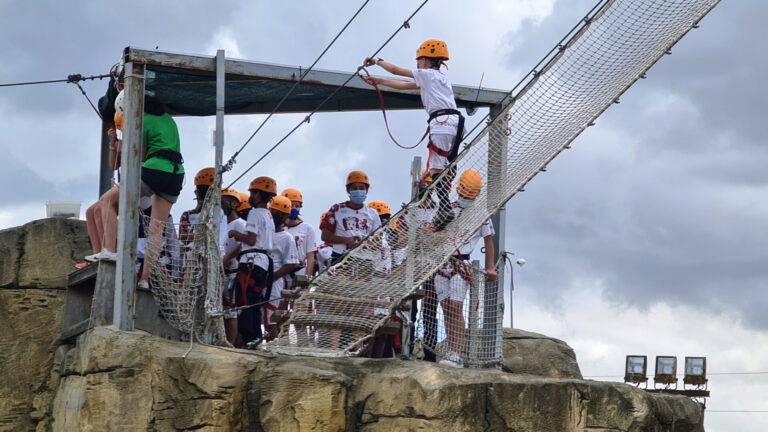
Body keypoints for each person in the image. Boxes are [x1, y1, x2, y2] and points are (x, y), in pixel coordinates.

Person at [363, 39, 465, 230]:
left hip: (441, 123)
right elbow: (403, 86)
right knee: (446, 165)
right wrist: (379, 81)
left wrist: (377, 61)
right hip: (457, 124)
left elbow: (395, 71)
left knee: (435, 169)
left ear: (426, 61)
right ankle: (444, 205)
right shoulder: (441, 79)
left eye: (419, 61)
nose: (417, 65)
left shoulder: (426, 74)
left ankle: (444, 208)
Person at [98, 92, 185, 290]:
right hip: (176, 173)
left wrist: (120, 146)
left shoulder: (142, 120)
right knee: (156, 229)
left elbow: (141, 156)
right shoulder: (169, 119)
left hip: (154, 169)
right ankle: (145, 279)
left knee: (107, 201)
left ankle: (110, 250)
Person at [433, 170, 497, 368]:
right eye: (464, 194)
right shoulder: (448, 210)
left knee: (456, 306)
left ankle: (456, 352)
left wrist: (490, 267)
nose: (466, 198)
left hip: (462, 264)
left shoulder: (481, 215)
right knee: (445, 308)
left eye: (470, 195)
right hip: (443, 263)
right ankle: (450, 350)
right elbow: (435, 230)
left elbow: (488, 241)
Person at [228, 176, 276, 346]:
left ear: (262, 195)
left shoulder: (254, 213)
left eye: (254, 193)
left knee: (245, 300)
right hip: (263, 263)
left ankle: (249, 338)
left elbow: (251, 240)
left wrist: (235, 234)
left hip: (251, 260)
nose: (251, 196)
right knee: (254, 300)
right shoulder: (269, 215)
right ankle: (255, 337)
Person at [319, 170, 381, 270]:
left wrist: (364, 244)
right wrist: (346, 240)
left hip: (365, 261)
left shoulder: (373, 214)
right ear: (348, 190)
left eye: (361, 188)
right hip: (340, 258)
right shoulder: (336, 209)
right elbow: (325, 236)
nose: (358, 191)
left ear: (367, 190)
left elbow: (379, 241)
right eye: (354, 188)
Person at [84, 112, 123, 262]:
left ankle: (109, 249)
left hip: (138, 185)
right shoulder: (126, 139)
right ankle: (98, 252)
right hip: (125, 184)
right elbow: (113, 165)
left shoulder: (137, 138)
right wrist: (113, 145)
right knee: (90, 211)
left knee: (102, 205)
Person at [264, 195, 300, 341]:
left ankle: (274, 348)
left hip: (275, 282)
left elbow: (291, 263)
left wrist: (273, 277)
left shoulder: (287, 237)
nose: (273, 216)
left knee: (271, 317)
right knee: (259, 316)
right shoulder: (264, 232)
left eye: (278, 213)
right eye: (272, 212)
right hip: (259, 279)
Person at [220, 187, 246, 346]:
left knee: (232, 312)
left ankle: (231, 343)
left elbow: (245, 244)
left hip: (233, 271)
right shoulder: (222, 223)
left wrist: (229, 257)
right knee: (222, 310)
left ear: (234, 204)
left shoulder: (240, 224)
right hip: (221, 271)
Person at [281, 188, 317, 278]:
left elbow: (310, 257)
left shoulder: (307, 228)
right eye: (291, 205)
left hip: (299, 272)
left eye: (297, 206)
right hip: (280, 271)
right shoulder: (277, 227)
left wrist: (307, 278)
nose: (294, 208)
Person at [179, 167, 215, 246]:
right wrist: (207, 235)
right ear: (196, 193)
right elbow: (183, 236)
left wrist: (194, 236)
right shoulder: (188, 214)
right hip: (192, 252)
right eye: (201, 191)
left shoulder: (218, 212)